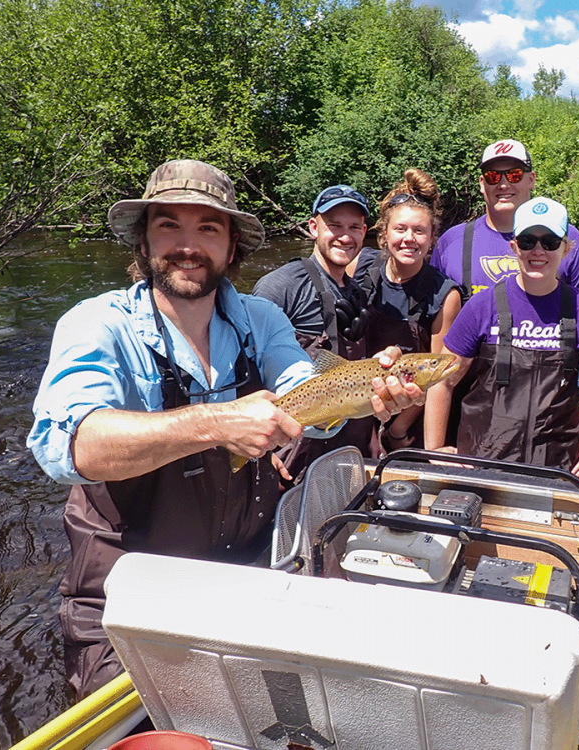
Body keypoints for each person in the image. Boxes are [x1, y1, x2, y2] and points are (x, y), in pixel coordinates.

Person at [27, 160, 422, 699]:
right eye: (169, 225)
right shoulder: (97, 325)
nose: (187, 245)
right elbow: (69, 447)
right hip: (128, 589)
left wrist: (367, 393)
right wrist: (215, 422)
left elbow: (308, 393)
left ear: (232, 247)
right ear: (142, 243)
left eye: (208, 228)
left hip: (247, 568)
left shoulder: (262, 319)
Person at [426, 197, 579, 470]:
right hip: (481, 463)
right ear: (514, 246)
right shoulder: (482, 305)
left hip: (558, 468)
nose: (538, 251)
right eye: (528, 242)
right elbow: (442, 381)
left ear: (567, 249)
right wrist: (435, 449)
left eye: (550, 242)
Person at [252, 184, 381, 480]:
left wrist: (370, 432)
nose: (345, 237)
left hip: (349, 442)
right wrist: (262, 450)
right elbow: (247, 367)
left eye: (354, 227)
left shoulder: (357, 293)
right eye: (334, 226)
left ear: (364, 232)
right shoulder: (280, 286)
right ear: (313, 227)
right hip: (293, 447)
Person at [351, 169, 463, 452]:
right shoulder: (359, 267)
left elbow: (441, 375)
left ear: (432, 237)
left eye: (419, 231)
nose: (409, 238)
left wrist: (397, 429)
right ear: (384, 232)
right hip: (355, 400)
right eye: (400, 229)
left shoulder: (445, 295)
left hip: (411, 417)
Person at [430, 138, 579, 305]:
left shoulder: (567, 237)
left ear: (531, 179)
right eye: (493, 177)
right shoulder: (451, 242)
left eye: (514, 175)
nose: (504, 184)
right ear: (482, 184)